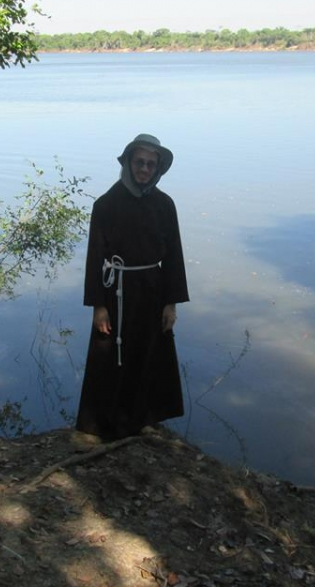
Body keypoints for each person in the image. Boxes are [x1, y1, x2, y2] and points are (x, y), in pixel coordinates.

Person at [76, 133, 189, 440]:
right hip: (116, 291)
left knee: (150, 354)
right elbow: (94, 258)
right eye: (139, 162)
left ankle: (144, 419)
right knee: (110, 355)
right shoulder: (106, 205)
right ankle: (101, 425)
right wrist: (98, 306)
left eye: (151, 164)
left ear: (158, 168)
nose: (144, 169)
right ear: (128, 162)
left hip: (153, 290)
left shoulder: (165, 205)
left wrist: (171, 302)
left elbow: (174, 256)